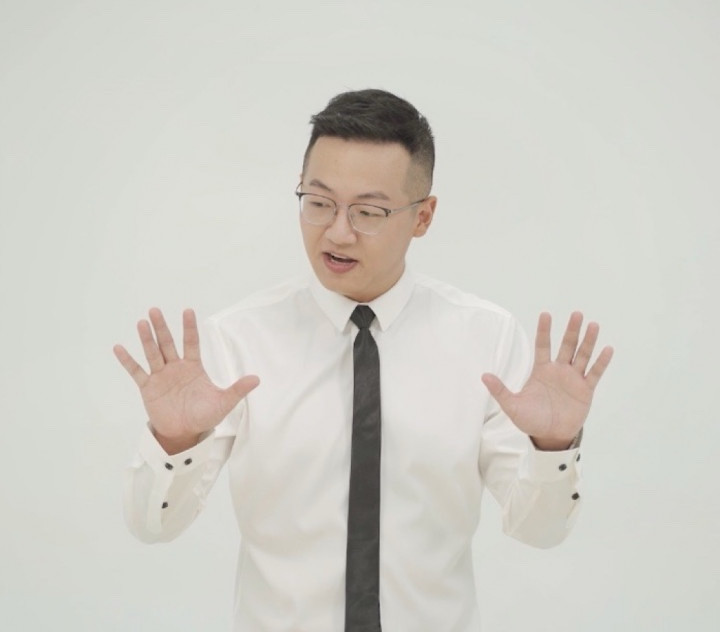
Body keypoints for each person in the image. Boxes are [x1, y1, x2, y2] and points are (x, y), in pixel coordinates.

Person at [115, 89, 613, 631]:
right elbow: (152, 528)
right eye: (318, 202)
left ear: (423, 216)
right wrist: (174, 441)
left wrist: (552, 447)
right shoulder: (238, 339)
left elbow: (540, 531)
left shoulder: (485, 340)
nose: (337, 231)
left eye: (368, 212)